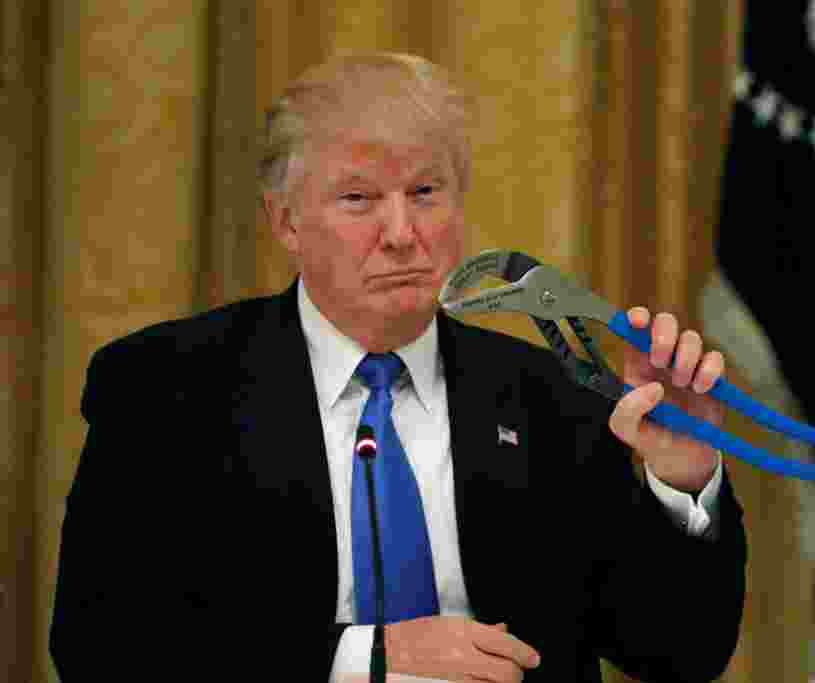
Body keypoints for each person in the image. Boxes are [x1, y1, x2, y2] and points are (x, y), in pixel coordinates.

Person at [50, 52, 747, 683]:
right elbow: (101, 644)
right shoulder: (165, 388)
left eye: (424, 193)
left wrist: (682, 477)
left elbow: (678, 651)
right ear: (285, 222)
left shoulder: (550, 398)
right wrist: (369, 656)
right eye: (358, 199)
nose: (400, 233)